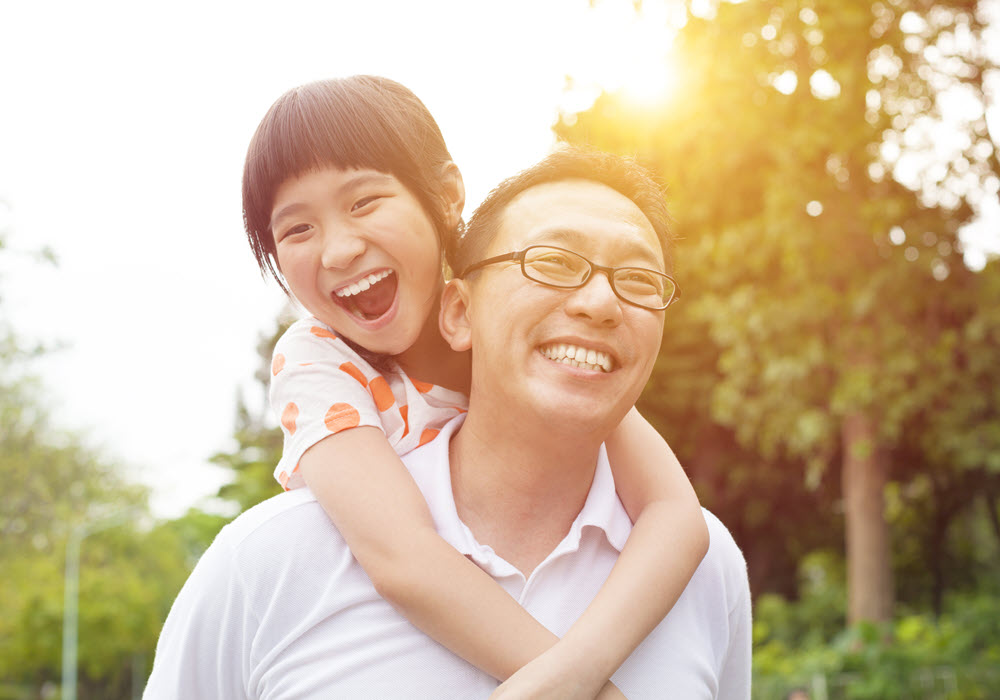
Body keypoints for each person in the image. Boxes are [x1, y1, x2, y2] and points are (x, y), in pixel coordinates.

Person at [144, 144, 751, 698]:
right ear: (461, 311)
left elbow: (679, 518)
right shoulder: (272, 555)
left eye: (638, 278)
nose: (597, 301)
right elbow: (402, 557)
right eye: (553, 262)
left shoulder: (709, 571)